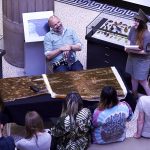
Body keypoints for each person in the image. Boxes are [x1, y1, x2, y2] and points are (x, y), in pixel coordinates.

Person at [125, 9, 150, 98]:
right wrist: (127, 47)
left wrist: (133, 50)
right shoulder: (132, 29)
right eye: (134, 20)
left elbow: (147, 52)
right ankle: (134, 96)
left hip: (142, 61)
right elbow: (128, 40)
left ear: (142, 24)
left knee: (142, 81)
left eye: (137, 21)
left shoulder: (147, 35)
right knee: (133, 77)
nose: (134, 23)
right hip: (131, 57)